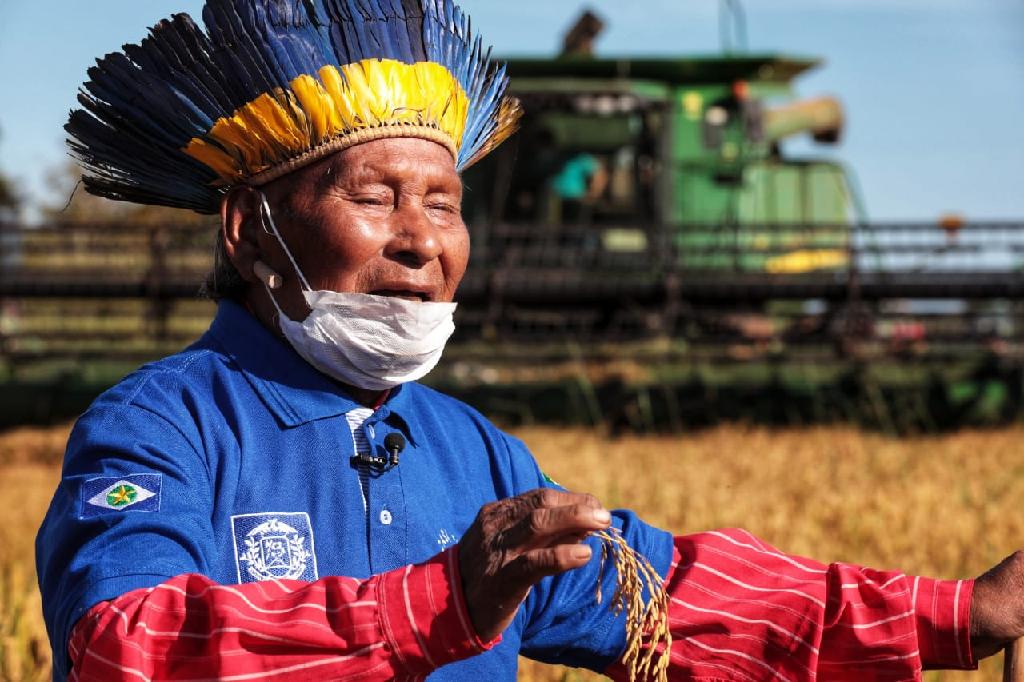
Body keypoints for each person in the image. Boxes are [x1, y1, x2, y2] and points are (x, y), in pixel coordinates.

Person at [34, 1, 1024, 680]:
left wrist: (954, 615)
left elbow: (662, 595)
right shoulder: (163, 429)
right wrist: (442, 598)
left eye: (444, 202)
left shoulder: (474, 453)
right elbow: (123, 644)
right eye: (374, 197)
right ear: (249, 229)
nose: (423, 239)